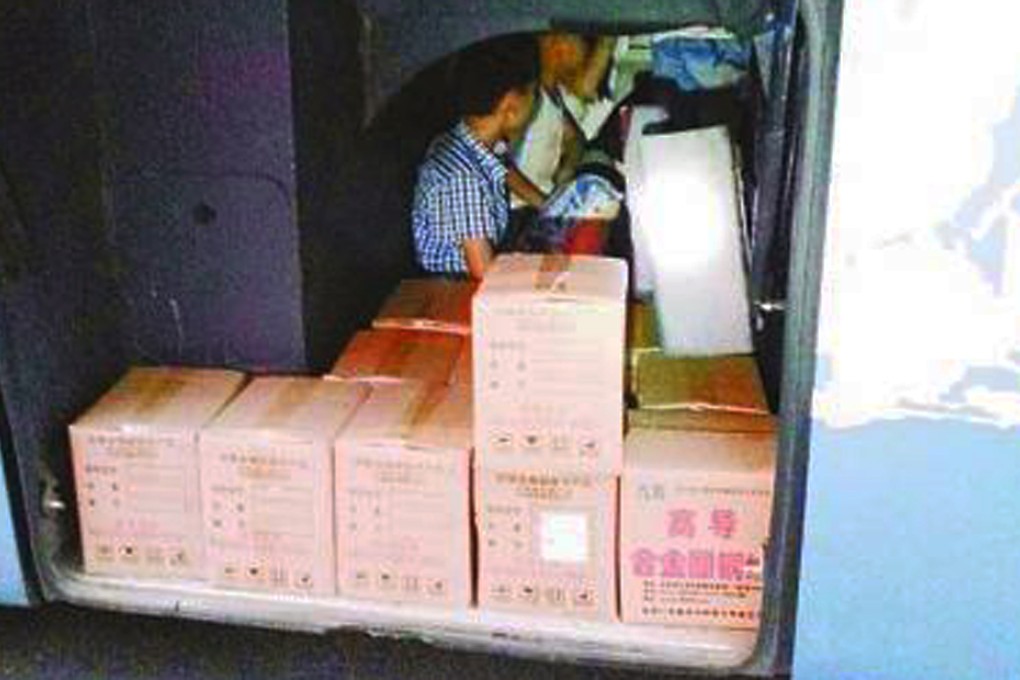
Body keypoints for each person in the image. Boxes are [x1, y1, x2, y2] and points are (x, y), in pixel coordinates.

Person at [411, 35, 539, 280]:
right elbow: (483, 273)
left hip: (474, 265)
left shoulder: (467, 139)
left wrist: (548, 205)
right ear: (511, 106)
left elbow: (504, 170)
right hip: (456, 281)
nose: (536, 101)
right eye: (533, 93)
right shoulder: (464, 178)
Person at [508, 33, 617, 209]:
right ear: (556, 45)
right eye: (577, 39)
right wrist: (545, 204)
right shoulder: (529, 99)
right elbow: (498, 164)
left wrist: (567, 170)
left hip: (540, 200)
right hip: (517, 207)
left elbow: (575, 138)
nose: (584, 48)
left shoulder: (553, 96)